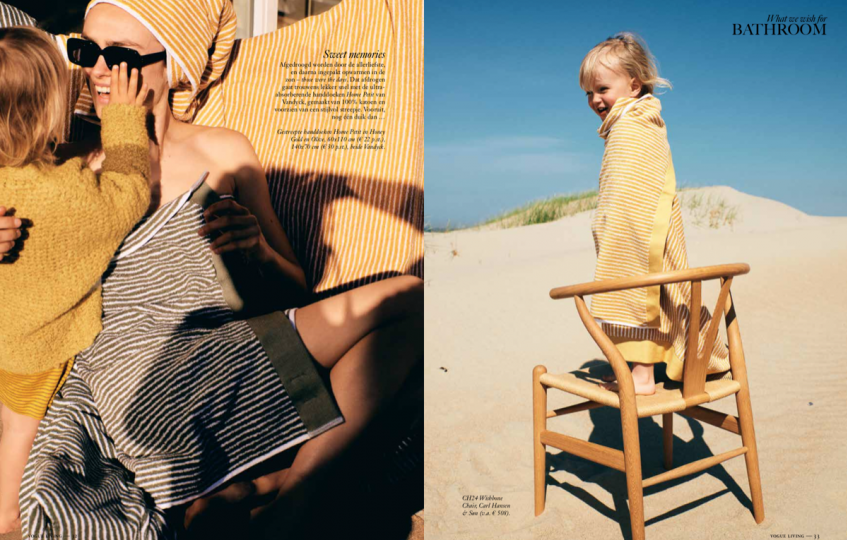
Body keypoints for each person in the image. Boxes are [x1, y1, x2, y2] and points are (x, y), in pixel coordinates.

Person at [0, 3, 423, 538]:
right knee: (408, 307)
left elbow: (295, 286)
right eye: (86, 53)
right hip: (127, 379)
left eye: (121, 56)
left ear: (173, 67)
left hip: (215, 354)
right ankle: (290, 506)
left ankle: (261, 494)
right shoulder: (65, 159)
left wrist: (257, 251)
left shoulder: (223, 152)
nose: (99, 71)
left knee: (407, 323)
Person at [0, 26, 150, 533]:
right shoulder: (71, 195)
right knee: (16, 440)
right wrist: (125, 120)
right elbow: (130, 191)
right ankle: (7, 517)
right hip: (33, 354)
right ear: (49, 111)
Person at [579, 32, 729, 396]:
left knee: (638, 287)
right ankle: (637, 367)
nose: (596, 100)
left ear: (633, 84)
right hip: (637, 226)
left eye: (602, 89)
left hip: (644, 228)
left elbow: (640, 188)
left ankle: (643, 376)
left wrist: (625, 226)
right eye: (588, 93)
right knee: (643, 292)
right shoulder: (632, 120)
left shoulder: (634, 124)